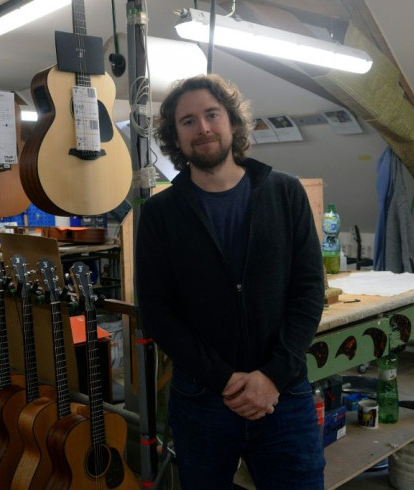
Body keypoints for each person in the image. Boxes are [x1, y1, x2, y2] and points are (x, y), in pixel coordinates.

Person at [135, 74, 326, 489]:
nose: (202, 128)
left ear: (233, 123)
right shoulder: (159, 213)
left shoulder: (286, 193)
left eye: (211, 114)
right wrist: (224, 380)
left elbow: (309, 290)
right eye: (187, 121)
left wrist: (272, 376)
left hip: (284, 396)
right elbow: (156, 311)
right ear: (175, 137)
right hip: (203, 399)